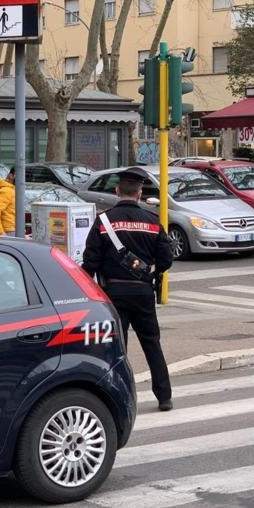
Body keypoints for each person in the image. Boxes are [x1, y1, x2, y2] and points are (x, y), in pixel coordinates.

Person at [82, 167, 174, 411]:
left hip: (113, 294)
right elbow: (166, 259)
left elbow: (90, 262)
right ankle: (164, 397)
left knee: (117, 349)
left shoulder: (103, 221)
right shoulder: (153, 222)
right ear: (140, 193)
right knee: (152, 344)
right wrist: (151, 272)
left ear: (117, 191)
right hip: (143, 292)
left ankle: (118, 400)